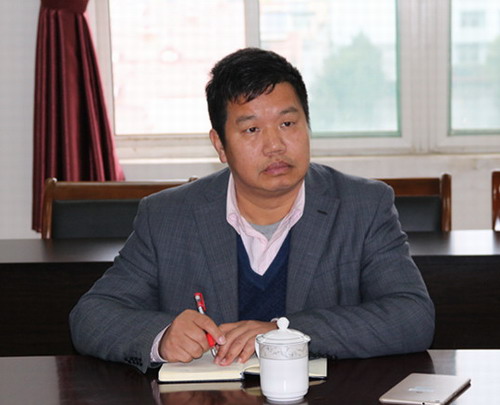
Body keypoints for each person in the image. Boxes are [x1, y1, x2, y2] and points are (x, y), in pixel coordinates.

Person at [69, 48, 435, 373]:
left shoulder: (363, 206)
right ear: (220, 145)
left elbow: (412, 316)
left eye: (288, 124)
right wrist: (162, 337)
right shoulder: (168, 216)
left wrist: (284, 332)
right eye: (252, 129)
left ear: (308, 126)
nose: (275, 145)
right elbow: (92, 315)